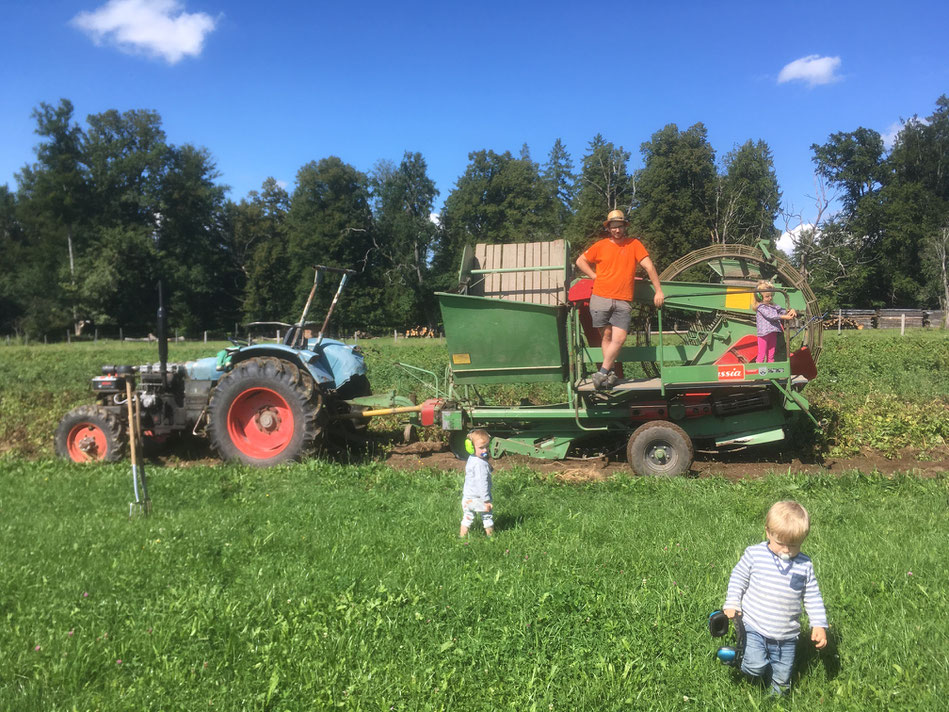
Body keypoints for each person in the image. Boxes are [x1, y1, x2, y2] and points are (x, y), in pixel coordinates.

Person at [723, 500, 828, 695]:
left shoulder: (805, 565)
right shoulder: (755, 555)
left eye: (794, 545)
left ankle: (776, 702)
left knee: (782, 679)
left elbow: (813, 596)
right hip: (755, 626)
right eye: (781, 543)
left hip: (787, 635)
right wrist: (732, 602)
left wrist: (819, 624)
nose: (787, 550)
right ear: (768, 532)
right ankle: (740, 661)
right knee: (755, 666)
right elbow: (738, 577)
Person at [575, 209, 665, 389]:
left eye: (620, 226)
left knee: (620, 337)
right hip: (600, 297)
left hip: (623, 300)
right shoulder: (600, 245)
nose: (617, 230)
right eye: (614, 227)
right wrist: (594, 276)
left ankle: (602, 372)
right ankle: (610, 373)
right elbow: (580, 261)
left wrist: (658, 291)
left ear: (625, 227)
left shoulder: (634, 244)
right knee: (606, 336)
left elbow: (648, 266)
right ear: (609, 228)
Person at [459, 429, 494, 537]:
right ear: (471, 447)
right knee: (487, 516)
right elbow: (482, 483)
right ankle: (492, 538)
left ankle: (462, 537)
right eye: (481, 448)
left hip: (468, 497)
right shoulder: (480, 464)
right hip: (479, 498)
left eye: (487, 447)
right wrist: (486, 500)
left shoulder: (472, 458)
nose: (485, 450)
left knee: (467, 517)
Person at [755, 280, 797, 363]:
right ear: (760, 297)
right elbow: (771, 316)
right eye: (767, 296)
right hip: (763, 333)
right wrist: (784, 317)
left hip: (773, 332)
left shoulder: (773, 306)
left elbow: (782, 310)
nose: (770, 298)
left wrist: (790, 311)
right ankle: (758, 372)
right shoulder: (761, 307)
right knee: (762, 354)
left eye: (771, 296)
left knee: (771, 354)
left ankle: (771, 371)